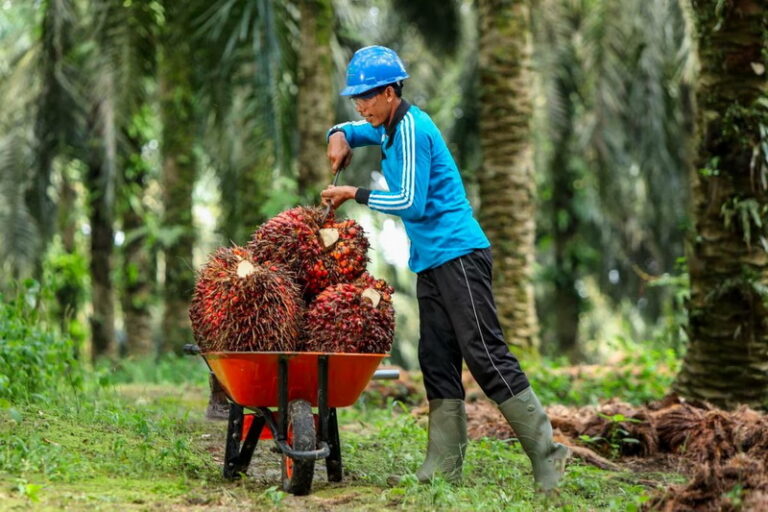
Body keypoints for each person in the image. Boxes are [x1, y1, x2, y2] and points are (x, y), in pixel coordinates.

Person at [321, 46, 570, 492]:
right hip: (432, 262)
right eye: (355, 98)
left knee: (485, 355)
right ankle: (442, 467)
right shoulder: (386, 127)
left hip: (459, 255)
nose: (360, 106)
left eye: (367, 97)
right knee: (436, 359)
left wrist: (352, 193)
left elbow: (410, 203)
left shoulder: (412, 128)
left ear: (391, 92)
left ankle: (549, 454)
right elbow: (353, 131)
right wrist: (337, 134)